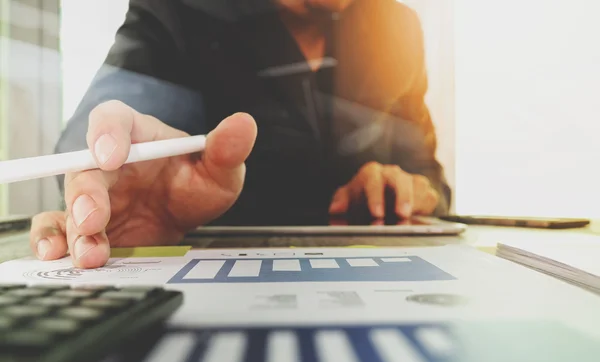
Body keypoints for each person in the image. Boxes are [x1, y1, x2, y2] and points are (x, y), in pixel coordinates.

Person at [30, 0, 451, 268]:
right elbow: (87, 150)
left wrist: (410, 188)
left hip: (375, 280)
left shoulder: (397, 26)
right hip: (205, 277)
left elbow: (430, 177)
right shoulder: (181, 10)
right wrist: (108, 180)